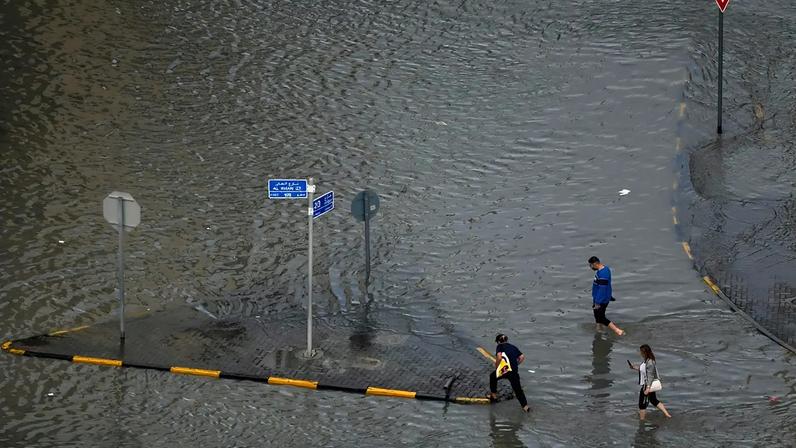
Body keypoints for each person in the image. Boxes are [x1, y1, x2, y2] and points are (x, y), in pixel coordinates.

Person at [487, 333, 530, 412]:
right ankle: (525, 407)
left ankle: (493, 395)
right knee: (518, 390)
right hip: (513, 371)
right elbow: (522, 357)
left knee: (493, 376)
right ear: (506, 340)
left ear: (498, 341)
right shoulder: (513, 347)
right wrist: (516, 364)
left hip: (504, 370)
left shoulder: (500, 346)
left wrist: (497, 366)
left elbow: (499, 357)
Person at [628, 344, 672, 420]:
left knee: (642, 404)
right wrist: (634, 367)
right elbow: (644, 370)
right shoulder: (646, 360)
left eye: (641, 351)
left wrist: (648, 388)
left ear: (645, 352)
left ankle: (642, 420)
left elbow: (650, 376)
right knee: (653, 400)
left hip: (647, 385)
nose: (640, 353)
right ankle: (667, 415)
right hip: (648, 384)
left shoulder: (650, 362)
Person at [588, 256, 625, 336]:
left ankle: (618, 330)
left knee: (601, 317)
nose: (591, 267)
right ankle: (598, 328)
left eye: (591, 265)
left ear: (595, 264)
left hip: (601, 299)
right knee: (596, 313)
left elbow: (602, 289)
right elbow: (608, 285)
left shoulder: (603, 274)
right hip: (599, 297)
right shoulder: (605, 269)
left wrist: (597, 302)